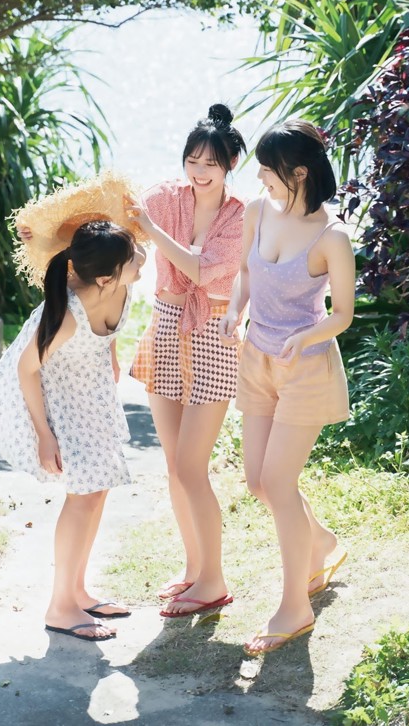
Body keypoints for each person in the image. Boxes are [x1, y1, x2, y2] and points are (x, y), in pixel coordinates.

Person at [0, 220, 146, 642]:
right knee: (82, 498)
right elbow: (27, 369)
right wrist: (45, 436)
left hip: (91, 392)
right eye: (131, 257)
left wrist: (110, 350)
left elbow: (118, 255)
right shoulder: (67, 315)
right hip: (58, 399)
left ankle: (78, 591)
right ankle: (60, 606)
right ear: (102, 277)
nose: (140, 260)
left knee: (97, 493)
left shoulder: (121, 273)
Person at [219, 118, 355, 654]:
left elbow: (343, 313)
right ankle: (320, 542)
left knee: (278, 484)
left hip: (305, 367)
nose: (259, 178)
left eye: (270, 170)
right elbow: (247, 275)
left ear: (300, 172)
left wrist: (306, 337)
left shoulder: (332, 236)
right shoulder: (258, 212)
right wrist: (234, 309)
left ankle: (295, 607)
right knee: (259, 482)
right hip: (256, 357)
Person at [125, 103, 247, 617]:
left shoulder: (239, 214)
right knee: (175, 468)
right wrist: (47, 234)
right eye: (192, 161)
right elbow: (117, 213)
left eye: (209, 164)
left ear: (229, 166)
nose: (198, 172)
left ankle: (214, 580)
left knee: (194, 467)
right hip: (166, 329)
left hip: (213, 338)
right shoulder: (166, 197)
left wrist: (151, 231)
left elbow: (199, 269)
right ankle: (194, 568)